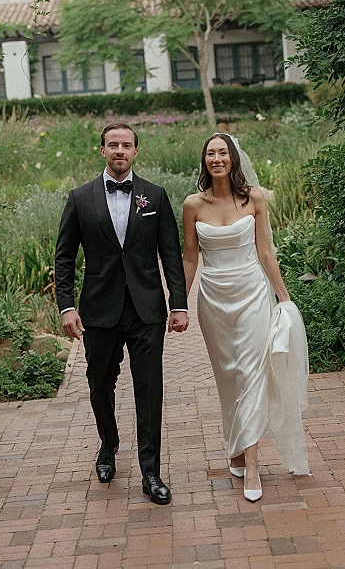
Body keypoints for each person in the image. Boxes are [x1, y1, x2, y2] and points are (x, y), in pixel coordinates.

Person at [55, 122, 189, 505]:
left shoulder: (155, 196)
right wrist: (66, 306)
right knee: (99, 383)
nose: (119, 151)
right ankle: (107, 444)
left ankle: (151, 473)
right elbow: (64, 257)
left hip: (147, 310)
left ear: (135, 151)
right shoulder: (80, 198)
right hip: (99, 310)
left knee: (149, 391)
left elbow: (170, 255)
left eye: (126, 145)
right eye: (112, 145)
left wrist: (177, 303)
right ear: (102, 151)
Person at [182, 133, 310, 502]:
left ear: (234, 159)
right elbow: (190, 257)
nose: (217, 159)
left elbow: (265, 251)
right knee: (229, 378)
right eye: (211, 153)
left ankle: (252, 466)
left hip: (253, 294)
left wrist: (283, 297)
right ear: (204, 160)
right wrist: (177, 304)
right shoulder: (193, 204)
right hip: (213, 300)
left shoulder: (253, 198)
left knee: (251, 374)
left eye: (223, 153)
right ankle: (236, 446)